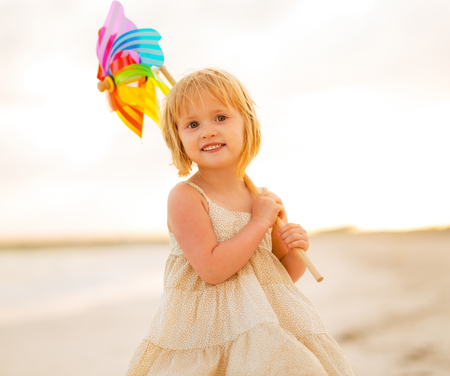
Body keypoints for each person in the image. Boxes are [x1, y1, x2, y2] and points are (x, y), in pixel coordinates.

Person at [125, 68, 354, 375]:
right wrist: (258, 223)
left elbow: (275, 278)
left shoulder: (261, 198)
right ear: (177, 138)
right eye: (192, 124)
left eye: (220, 117)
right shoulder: (186, 197)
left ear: (246, 124)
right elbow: (212, 269)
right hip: (207, 334)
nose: (207, 130)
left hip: (261, 323)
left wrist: (293, 251)